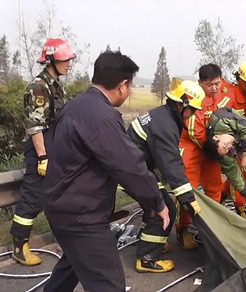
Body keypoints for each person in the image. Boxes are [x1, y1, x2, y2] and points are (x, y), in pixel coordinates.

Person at [42, 51, 170, 292]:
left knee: (71, 267)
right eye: (130, 85)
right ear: (122, 85)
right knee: (108, 284)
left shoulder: (75, 106)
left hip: (61, 208)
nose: (129, 91)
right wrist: (157, 201)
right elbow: (129, 167)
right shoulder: (102, 116)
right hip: (82, 217)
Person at [126, 80, 204, 273]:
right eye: (192, 110)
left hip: (134, 168)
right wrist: (187, 198)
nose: (192, 115)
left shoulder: (164, 116)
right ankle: (146, 259)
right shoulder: (165, 124)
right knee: (163, 207)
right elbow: (171, 164)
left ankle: (152, 242)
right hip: (133, 171)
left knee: (155, 204)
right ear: (181, 104)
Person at [9, 38, 75, 266]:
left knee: (56, 195)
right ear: (51, 60)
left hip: (52, 147)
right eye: (64, 59)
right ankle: (19, 246)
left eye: (69, 59)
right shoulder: (39, 86)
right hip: (41, 150)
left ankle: (64, 239)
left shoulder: (54, 84)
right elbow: (35, 126)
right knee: (33, 196)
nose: (68, 63)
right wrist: (43, 157)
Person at [176, 64, 224, 249]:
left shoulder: (218, 96)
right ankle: (182, 229)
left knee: (214, 188)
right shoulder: (195, 98)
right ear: (200, 83)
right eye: (210, 84)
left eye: (217, 83)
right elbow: (194, 131)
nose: (214, 88)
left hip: (209, 148)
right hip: (191, 148)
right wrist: (216, 147)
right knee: (187, 190)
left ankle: (211, 227)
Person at [216, 60, 246, 215]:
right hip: (228, 145)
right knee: (240, 175)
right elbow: (217, 122)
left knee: (241, 175)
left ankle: (223, 195)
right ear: (240, 81)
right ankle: (240, 210)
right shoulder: (229, 99)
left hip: (242, 143)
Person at [202, 107, 246, 217]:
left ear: (216, 137)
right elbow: (235, 177)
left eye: (225, 145)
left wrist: (245, 154)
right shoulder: (224, 155)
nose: (230, 146)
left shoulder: (221, 121)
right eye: (227, 150)